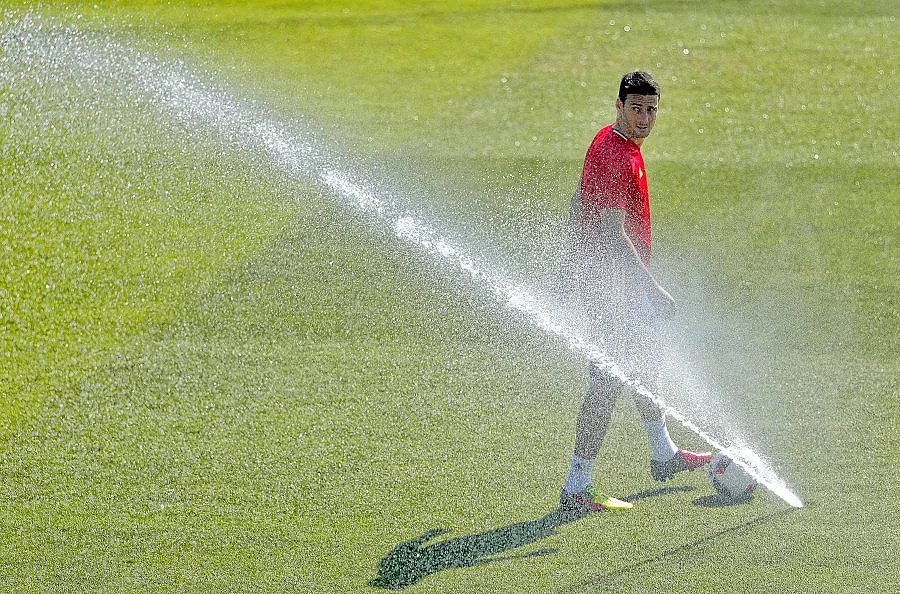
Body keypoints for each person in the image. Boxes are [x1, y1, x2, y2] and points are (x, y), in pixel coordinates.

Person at [559, 71, 711, 513]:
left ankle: (662, 453)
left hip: (619, 284)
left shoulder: (619, 144)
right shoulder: (613, 154)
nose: (645, 118)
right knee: (605, 384)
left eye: (652, 110)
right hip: (609, 288)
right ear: (619, 106)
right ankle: (576, 485)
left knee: (647, 361)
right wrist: (652, 288)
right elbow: (612, 233)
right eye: (636, 109)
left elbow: (578, 201)